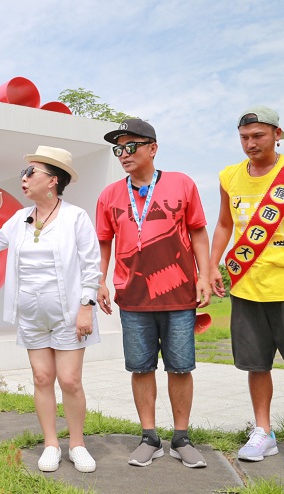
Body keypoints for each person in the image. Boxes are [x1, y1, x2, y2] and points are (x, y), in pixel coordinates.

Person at [96, 119, 212, 469]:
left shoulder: (182, 183)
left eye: (131, 146)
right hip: (132, 297)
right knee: (141, 368)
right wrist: (99, 281)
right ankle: (149, 437)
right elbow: (104, 243)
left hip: (179, 294)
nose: (124, 154)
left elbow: (198, 234)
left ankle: (181, 438)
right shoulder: (110, 195)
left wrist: (205, 275)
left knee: (180, 368)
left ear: (153, 148)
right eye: (118, 149)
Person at [209, 106, 284, 470]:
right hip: (246, 287)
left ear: (276, 134)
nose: (250, 143)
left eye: (258, 135)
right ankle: (264, 432)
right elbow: (225, 225)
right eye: (244, 137)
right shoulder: (229, 176)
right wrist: (213, 264)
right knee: (256, 365)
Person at [0, 146, 101, 473]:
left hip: (68, 313)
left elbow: (91, 265)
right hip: (31, 314)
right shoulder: (20, 218)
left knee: (71, 380)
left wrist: (86, 307)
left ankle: (77, 443)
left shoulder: (75, 216)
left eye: (31, 172)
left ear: (52, 180)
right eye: (24, 172)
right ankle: (51, 443)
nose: (24, 178)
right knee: (42, 376)